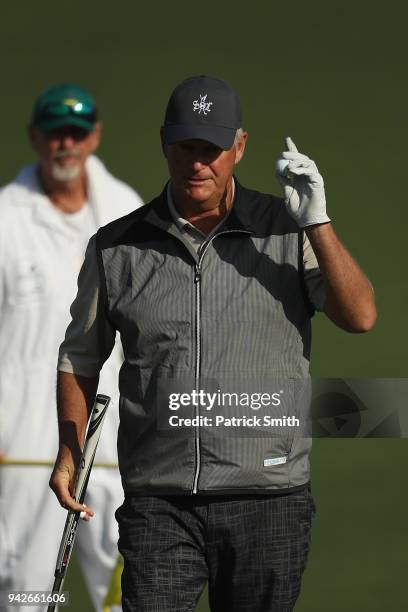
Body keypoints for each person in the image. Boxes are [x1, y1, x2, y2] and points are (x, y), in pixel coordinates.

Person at [50, 75, 377, 612]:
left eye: (212, 148)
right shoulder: (116, 247)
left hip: (268, 501)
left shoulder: (288, 230)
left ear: (240, 147)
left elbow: (360, 316)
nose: (197, 162)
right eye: (186, 147)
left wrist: (317, 221)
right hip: (160, 503)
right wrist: (69, 449)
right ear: (165, 143)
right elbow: (81, 356)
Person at [0, 83, 143, 612]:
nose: (67, 145)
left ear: (94, 138)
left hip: (114, 446)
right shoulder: (6, 221)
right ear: (36, 139)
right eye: (56, 134)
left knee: (134, 594)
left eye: (77, 134)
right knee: (27, 597)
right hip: (25, 448)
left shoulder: (125, 208)